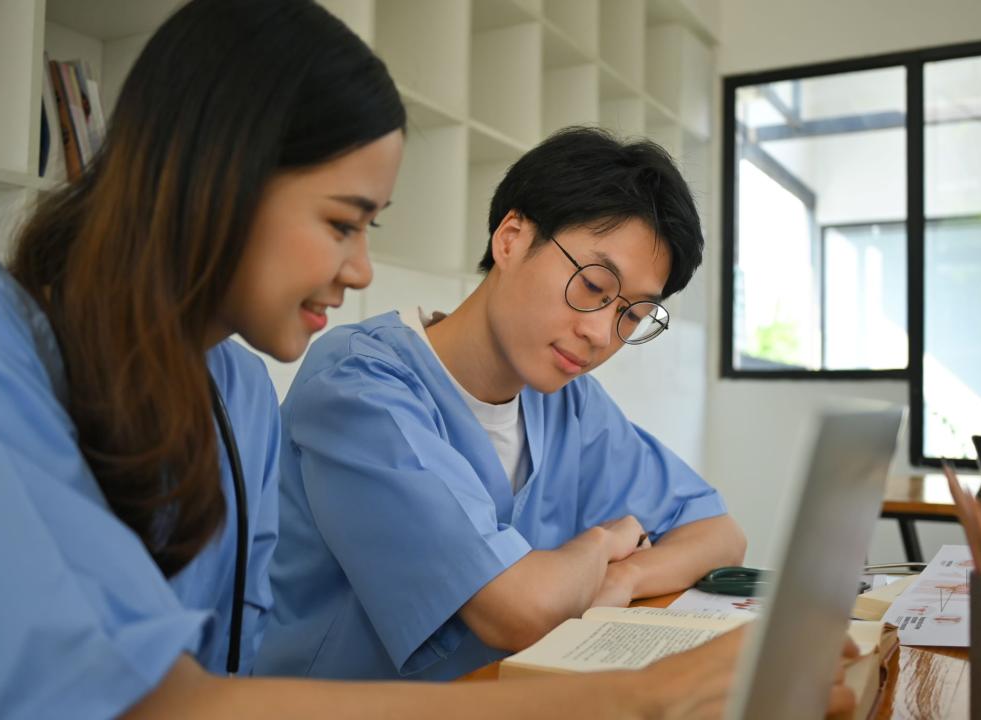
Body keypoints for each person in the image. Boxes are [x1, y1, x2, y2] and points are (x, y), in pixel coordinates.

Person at [0, 1, 857, 717]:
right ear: (215, 173)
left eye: (633, 312)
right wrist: (639, 691)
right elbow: (167, 702)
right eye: (341, 223)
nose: (359, 269)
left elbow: (232, 663)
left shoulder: (230, 383)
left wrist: (607, 586)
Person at [259, 127, 748, 682]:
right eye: (592, 285)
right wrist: (604, 542)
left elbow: (718, 534)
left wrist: (624, 580)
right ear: (511, 238)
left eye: (632, 315)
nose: (599, 334)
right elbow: (518, 611)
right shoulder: (360, 385)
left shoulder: (568, 404)